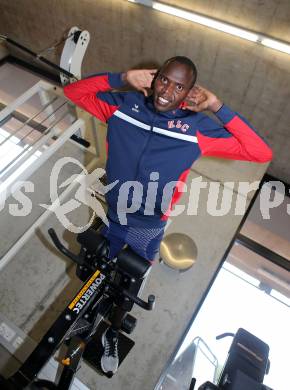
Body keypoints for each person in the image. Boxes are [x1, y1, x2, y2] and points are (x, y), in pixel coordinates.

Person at [63, 56, 273, 374]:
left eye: (179, 86)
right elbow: (74, 92)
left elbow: (260, 152)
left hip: (147, 226)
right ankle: (83, 320)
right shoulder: (124, 104)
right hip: (113, 214)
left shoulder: (197, 128)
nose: (167, 91)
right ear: (153, 78)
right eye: (164, 80)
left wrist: (217, 106)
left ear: (189, 92)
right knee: (92, 273)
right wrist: (119, 76)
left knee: (128, 291)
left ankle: (112, 333)